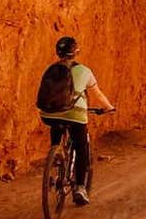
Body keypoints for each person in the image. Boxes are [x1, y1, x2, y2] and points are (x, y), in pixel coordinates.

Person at [39, 36, 115, 205]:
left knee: (57, 132)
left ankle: (57, 155)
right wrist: (109, 107)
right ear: (76, 52)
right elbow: (98, 94)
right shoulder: (84, 71)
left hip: (49, 114)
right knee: (81, 149)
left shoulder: (50, 69)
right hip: (75, 115)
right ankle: (80, 187)